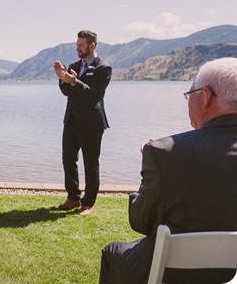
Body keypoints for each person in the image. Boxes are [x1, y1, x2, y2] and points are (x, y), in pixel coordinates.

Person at [99, 57, 237, 283]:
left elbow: (141, 221)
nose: (187, 102)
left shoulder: (165, 152)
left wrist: (151, 172)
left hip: (173, 274)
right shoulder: (167, 151)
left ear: (206, 96)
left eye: (189, 94)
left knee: (113, 252)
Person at [53, 29, 111, 216]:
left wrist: (74, 81)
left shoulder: (104, 68)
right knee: (68, 160)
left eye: (81, 45)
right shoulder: (74, 65)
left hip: (92, 124)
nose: (77, 48)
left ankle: (87, 204)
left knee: (90, 163)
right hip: (71, 121)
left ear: (92, 45)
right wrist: (63, 79)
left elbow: (94, 94)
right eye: (77, 45)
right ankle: (73, 197)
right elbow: (67, 92)